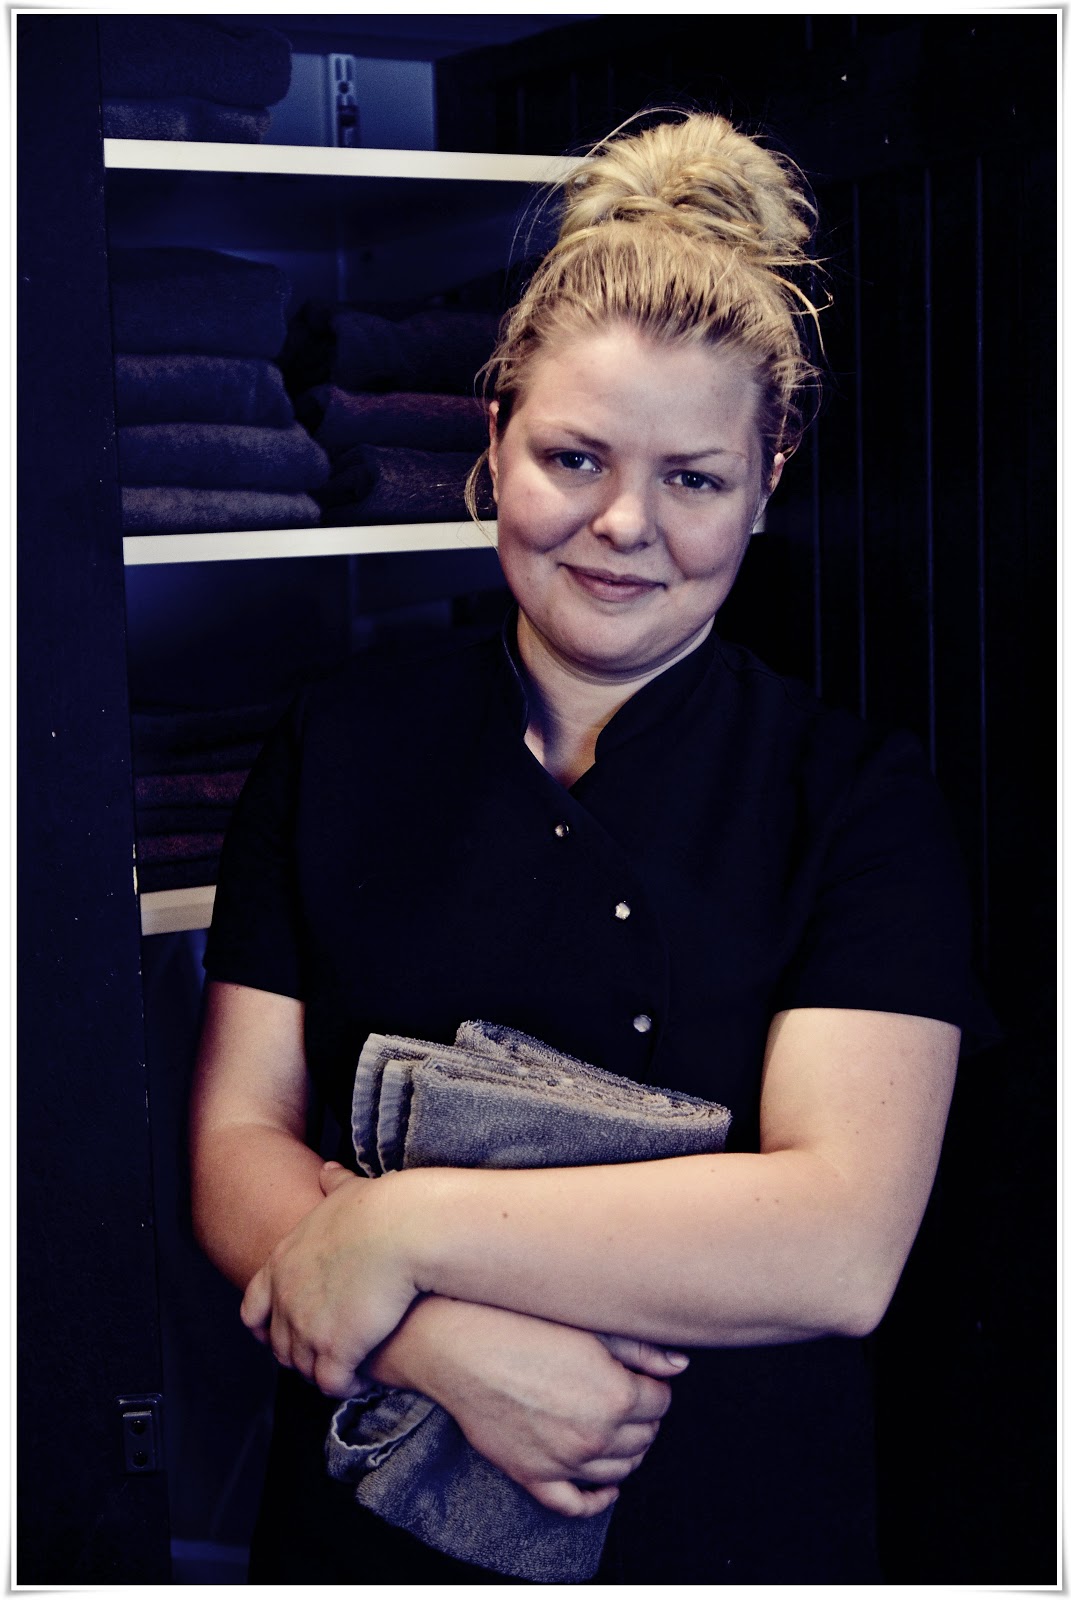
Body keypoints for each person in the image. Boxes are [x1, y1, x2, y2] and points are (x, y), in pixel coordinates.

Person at [190, 111, 976, 1584]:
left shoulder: (857, 800)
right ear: (494, 439)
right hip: (367, 1517)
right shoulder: (340, 740)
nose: (623, 525)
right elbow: (238, 1148)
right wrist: (440, 1346)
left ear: (768, 482)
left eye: (693, 478)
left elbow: (839, 1244)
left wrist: (399, 1231)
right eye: (573, 456)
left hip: (723, 1519)